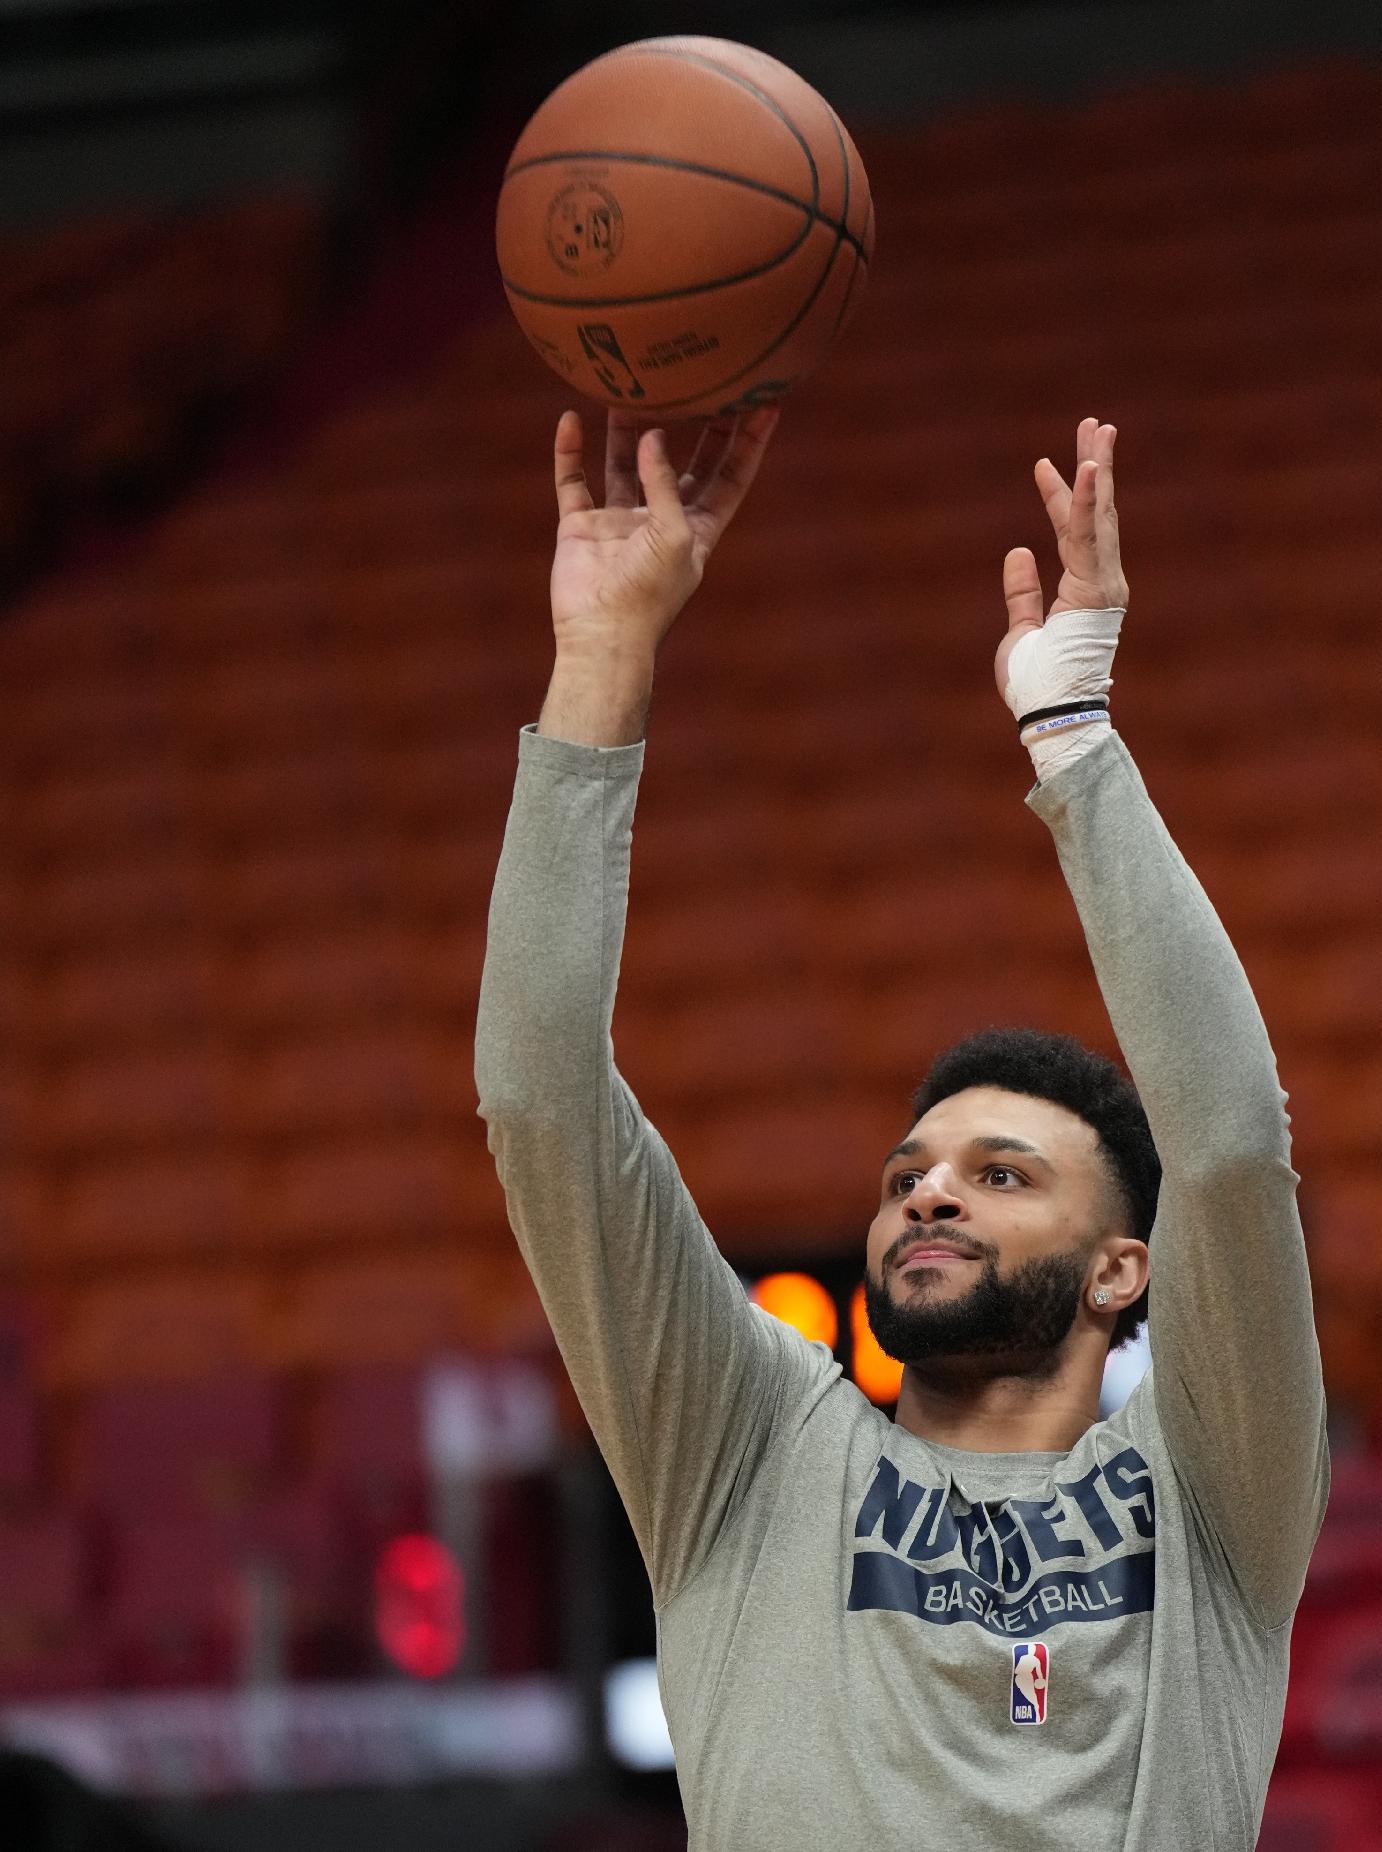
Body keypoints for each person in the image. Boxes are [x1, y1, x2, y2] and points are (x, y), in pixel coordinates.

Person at [475, 404, 1331, 1850]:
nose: (928, 1197)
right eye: (908, 1176)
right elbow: (539, 1094)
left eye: (1000, 1176)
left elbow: (1234, 1146)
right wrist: (603, 657)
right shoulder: (746, 1448)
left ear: (1125, 1268)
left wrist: (1076, 748)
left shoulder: (1207, 1490)